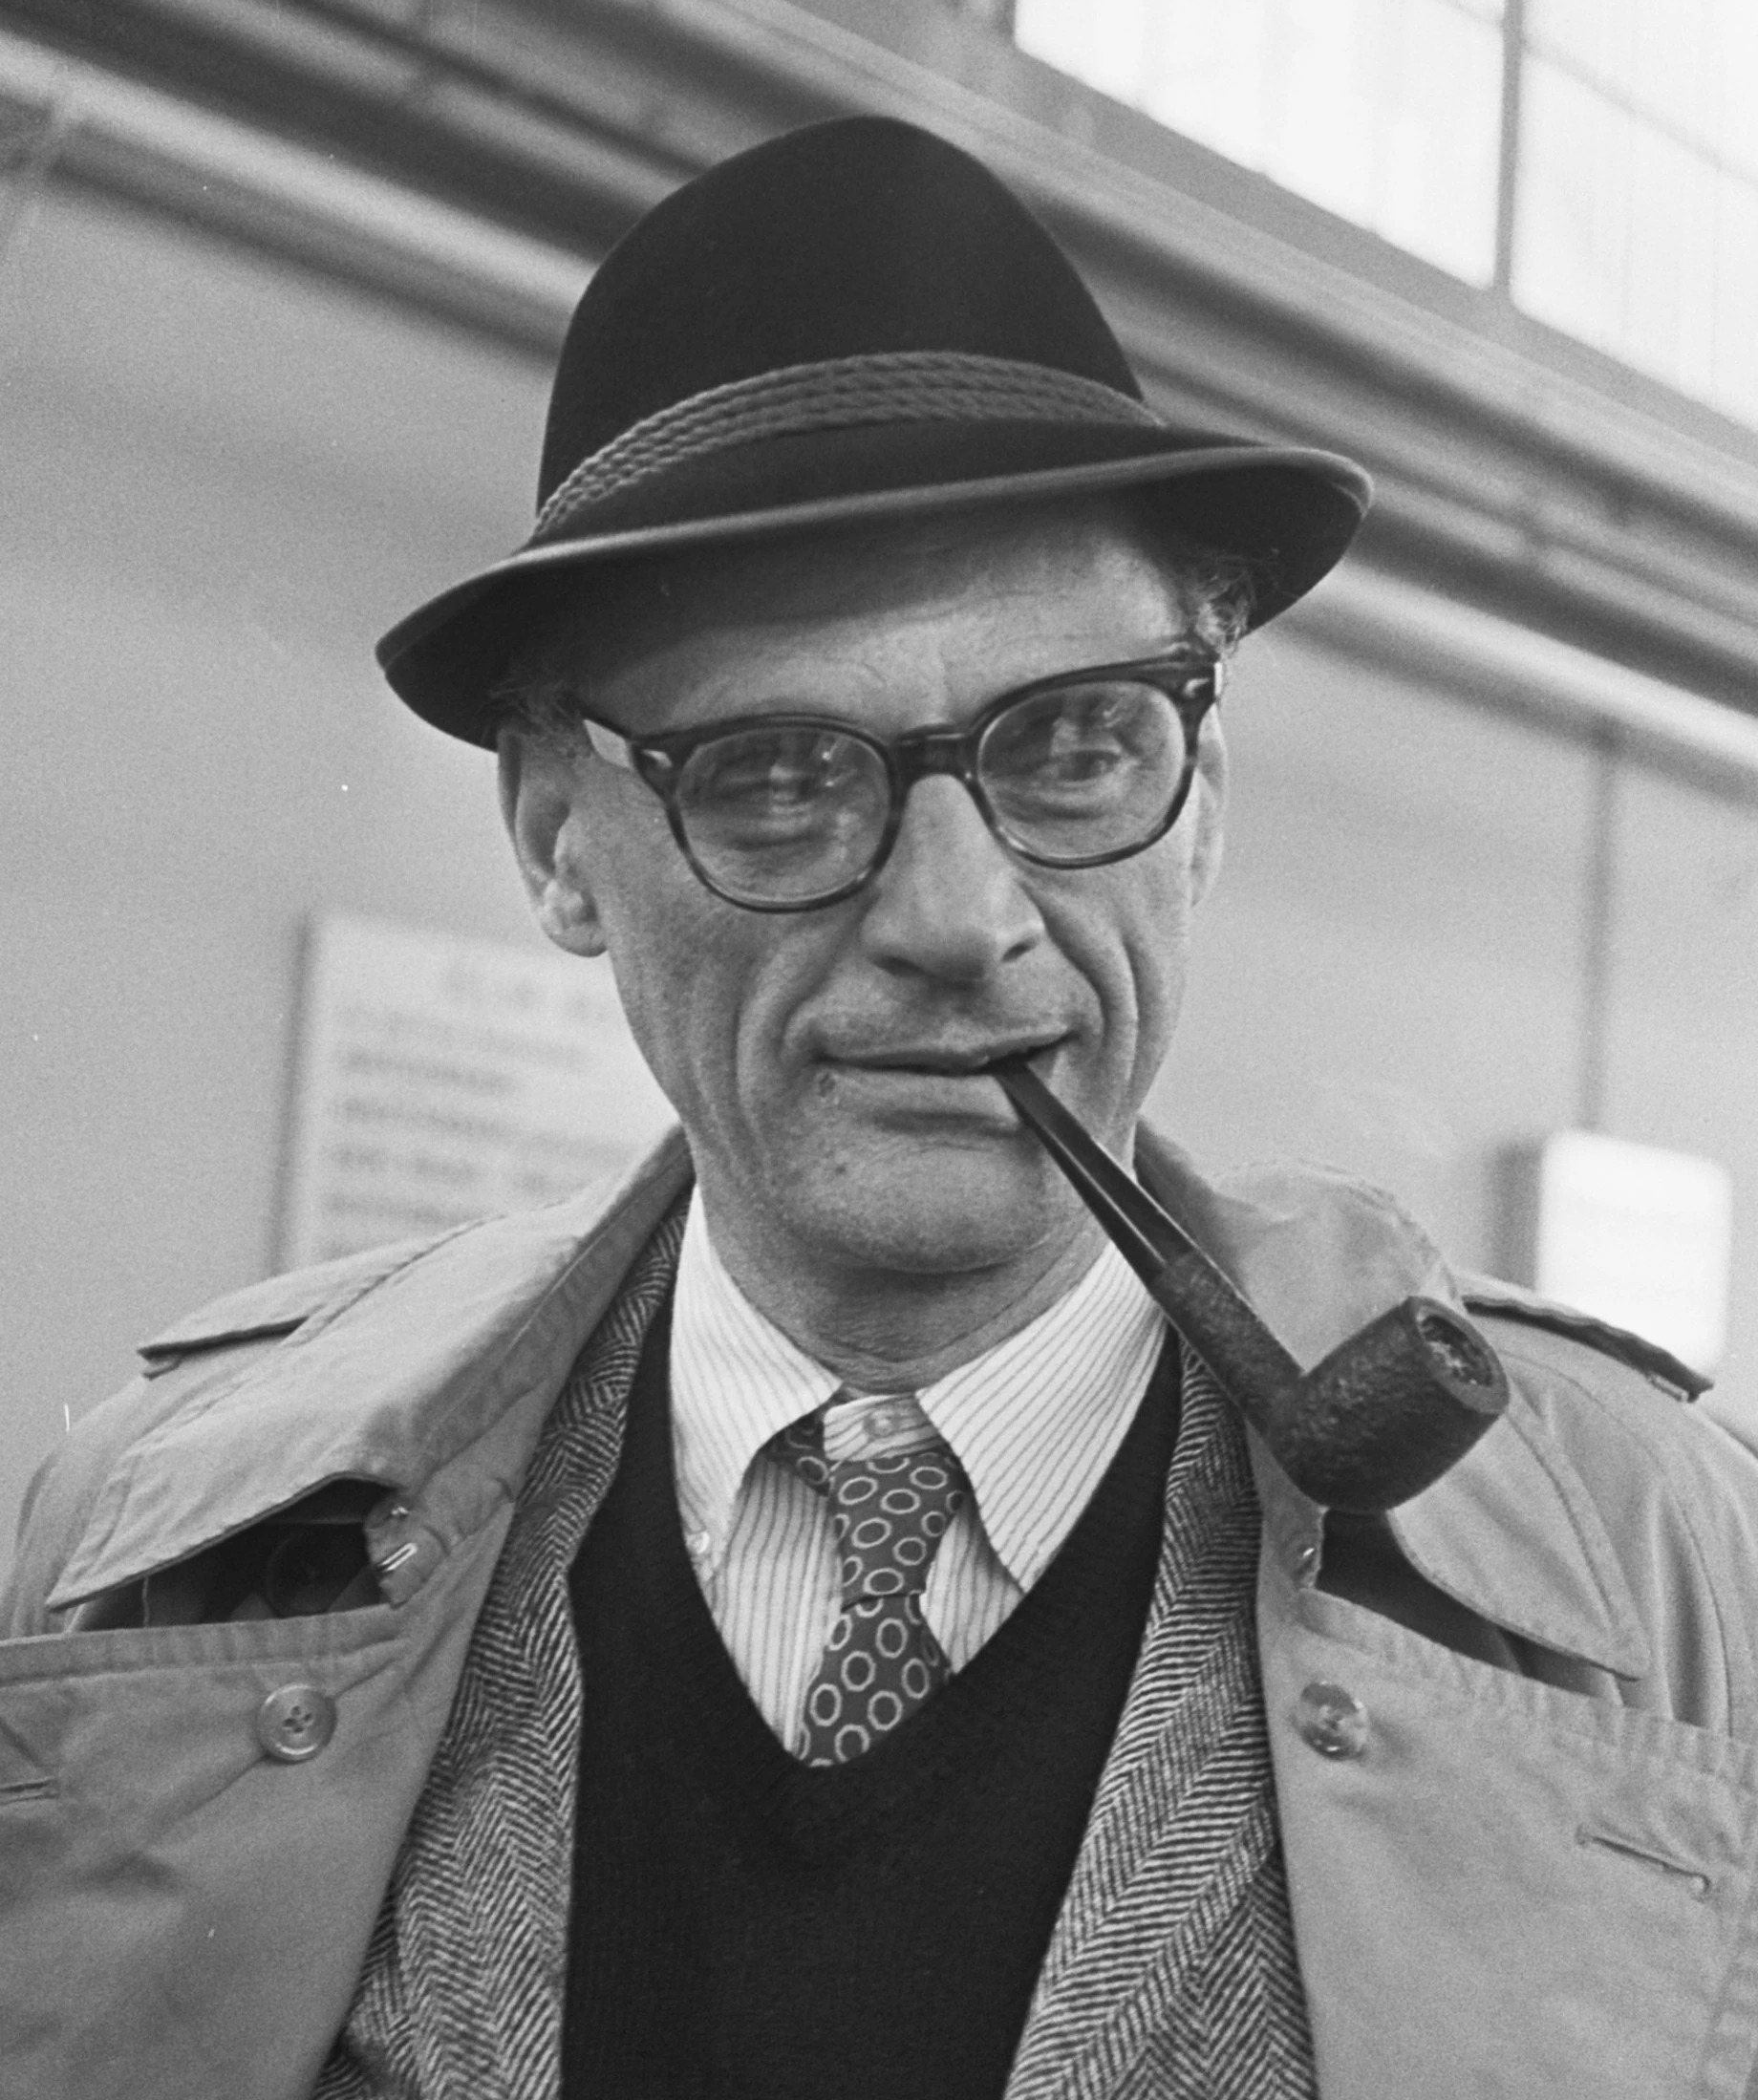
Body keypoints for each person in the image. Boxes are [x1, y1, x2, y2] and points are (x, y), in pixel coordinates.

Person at [5, 117, 1758, 2100]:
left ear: (1200, 798)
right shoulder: (146, 1559)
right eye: (775, 774)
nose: (956, 917)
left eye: (1075, 747)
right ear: (560, 844)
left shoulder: (1670, 1574)